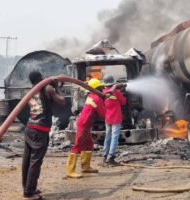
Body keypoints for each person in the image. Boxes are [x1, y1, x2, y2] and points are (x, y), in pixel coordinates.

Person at [22, 71, 66, 200]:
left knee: (27, 160)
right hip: (40, 130)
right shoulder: (48, 88)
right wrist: (57, 87)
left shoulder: (31, 90)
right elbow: (62, 101)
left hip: (29, 127)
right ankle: (29, 192)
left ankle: (27, 187)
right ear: (41, 78)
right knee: (35, 161)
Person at [66, 78, 118, 178]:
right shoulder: (97, 98)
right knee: (78, 145)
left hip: (86, 123)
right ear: (96, 88)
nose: (102, 88)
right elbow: (103, 114)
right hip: (84, 124)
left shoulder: (92, 95)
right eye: (100, 87)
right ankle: (70, 170)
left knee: (89, 144)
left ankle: (86, 167)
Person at [102, 76, 126, 166]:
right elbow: (123, 102)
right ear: (113, 83)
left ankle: (105, 156)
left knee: (107, 136)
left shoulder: (103, 92)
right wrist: (122, 92)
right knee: (114, 137)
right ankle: (111, 157)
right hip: (116, 117)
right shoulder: (116, 92)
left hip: (107, 118)